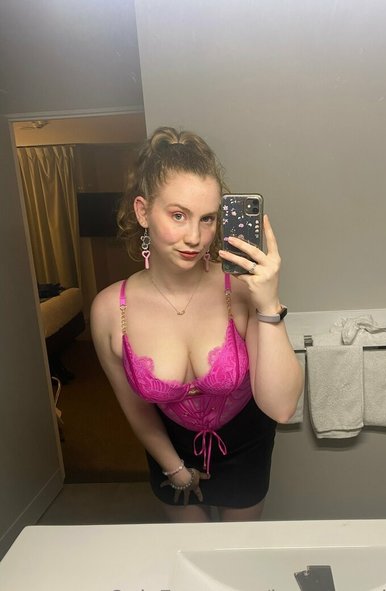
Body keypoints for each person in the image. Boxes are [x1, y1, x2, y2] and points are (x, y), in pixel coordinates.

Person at [90, 126, 303, 523]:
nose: (195, 237)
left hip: (246, 448)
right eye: (178, 215)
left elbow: (282, 407)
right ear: (143, 212)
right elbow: (134, 407)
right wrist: (173, 467)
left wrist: (268, 303)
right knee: (189, 552)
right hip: (168, 451)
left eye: (208, 219)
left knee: (237, 555)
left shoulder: (240, 288)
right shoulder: (109, 310)